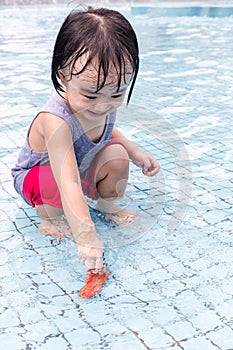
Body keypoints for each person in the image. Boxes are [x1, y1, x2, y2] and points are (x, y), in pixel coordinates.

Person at [11, 7, 160, 270]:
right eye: (91, 95)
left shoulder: (99, 105)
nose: (102, 106)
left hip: (79, 171)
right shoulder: (55, 119)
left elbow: (106, 132)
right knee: (52, 182)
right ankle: (50, 218)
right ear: (63, 75)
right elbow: (66, 180)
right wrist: (86, 236)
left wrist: (135, 152)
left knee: (117, 155)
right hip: (42, 176)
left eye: (116, 95)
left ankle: (108, 206)